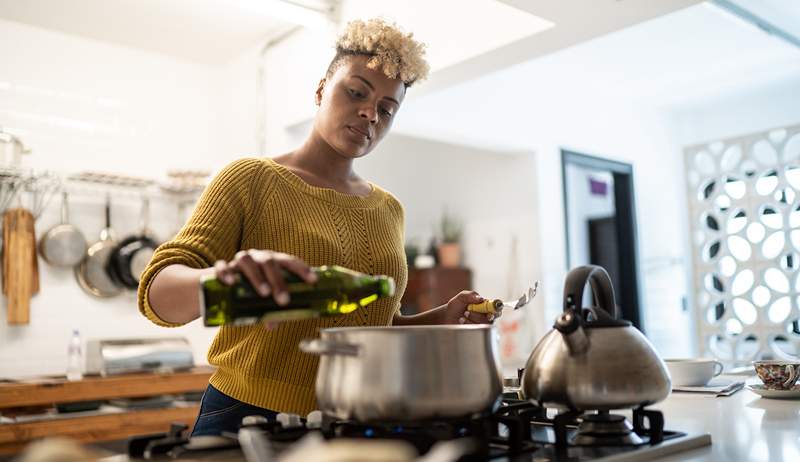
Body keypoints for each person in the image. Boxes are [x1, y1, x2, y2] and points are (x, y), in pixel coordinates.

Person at [138, 18, 493, 437]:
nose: (369, 113)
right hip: (249, 417)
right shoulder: (250, 179)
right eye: (356, 92)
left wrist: (439, 320)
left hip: (359, 416)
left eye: (386, 109)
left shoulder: (388, 209)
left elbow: (372, 323)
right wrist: (220, 279)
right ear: (321, 89)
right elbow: (156, 293)